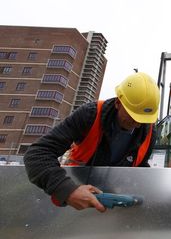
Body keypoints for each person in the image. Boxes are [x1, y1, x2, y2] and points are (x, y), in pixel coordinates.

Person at [24, 72, 160, 212]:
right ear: (118, 102)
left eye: (143, 119)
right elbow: (37, 154)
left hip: (115, 206)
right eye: (132, 115)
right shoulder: (90, 115)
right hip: (75, 198)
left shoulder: (148, 132)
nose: (137, 124)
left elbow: (140, 167)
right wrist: (67, 190)